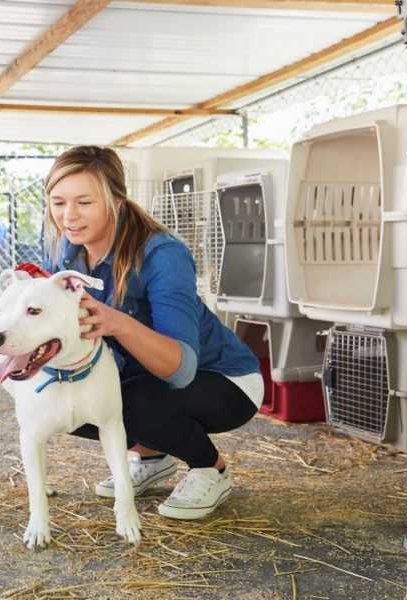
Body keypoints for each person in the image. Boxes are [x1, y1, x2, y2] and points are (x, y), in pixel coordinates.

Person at [43, 146, 264, 520]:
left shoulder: (162, 254)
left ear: (116, 200)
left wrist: (116, 321)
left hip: (224, 381)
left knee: (126, 401)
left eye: (84, 202)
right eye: (58, 202)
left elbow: (181, 370)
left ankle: (212, 468)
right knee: (61, 397)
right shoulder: (69, 251)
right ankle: (151, 454)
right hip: (145, 378)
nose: (68, 216)